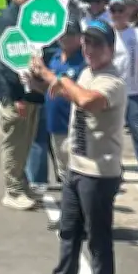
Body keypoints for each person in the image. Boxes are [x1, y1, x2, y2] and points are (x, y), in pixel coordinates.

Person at [27, 20, 127, 274]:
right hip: (77, 165)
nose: (90, 49)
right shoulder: (86, 73)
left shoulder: (112, 82)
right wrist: (38, 81)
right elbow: (65, 93)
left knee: (98, 239)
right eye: (87, 43)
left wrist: (54, 77)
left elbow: (86, 100)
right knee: (68, 230)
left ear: (111, 49)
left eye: (97, 44)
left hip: (99, 173)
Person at [0, 0, 45, 211]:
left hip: (32, 91)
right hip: (17, 93)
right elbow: (6, 63)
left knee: (26, 142)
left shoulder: (31, 18)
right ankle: (12, 191)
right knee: (15, 143)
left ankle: (22, 185)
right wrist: (16, 96)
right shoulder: (8, 19)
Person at [108, 0, 138, 189]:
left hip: (132, 92)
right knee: (113, 134)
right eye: (114, 11)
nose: (117, 15)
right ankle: (114, 170)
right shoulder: (107, 33)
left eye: (121, 11)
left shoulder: (136, 34)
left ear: (126, 12)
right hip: (112, 92)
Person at [44, 17, 86, 182]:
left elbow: (79, 95)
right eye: (62, 34)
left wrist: (48, 77)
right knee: (62, 169)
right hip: (54, 123)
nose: (65, 38)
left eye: (70, 35)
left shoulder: (83, 62)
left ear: (79, 37)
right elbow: (49, 88)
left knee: (75, 170)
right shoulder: (54, 57)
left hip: (72, 124)